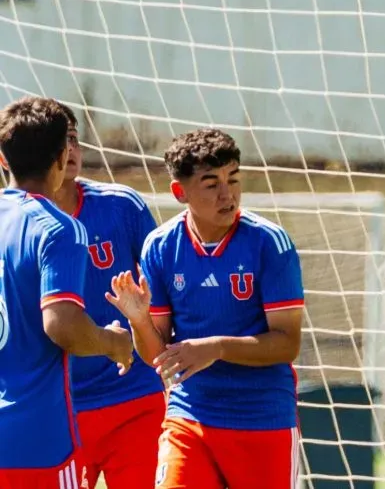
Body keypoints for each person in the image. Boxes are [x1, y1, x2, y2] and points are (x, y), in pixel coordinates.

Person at [106, 127, 304, 489]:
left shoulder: (269, 243)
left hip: (262, 419)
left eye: (234, 179)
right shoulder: (161, 247)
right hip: (190, 416)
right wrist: (138, 321)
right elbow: (158, 356)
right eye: (211, 183)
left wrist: (217, 348)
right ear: (180, 192)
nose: (227, 194)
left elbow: (287, 343)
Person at [0, 96, 134, 489]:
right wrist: (112, 342)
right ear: (62, 157)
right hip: (37, 443)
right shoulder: (58, 229)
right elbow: (63, 326)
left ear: (4, 158)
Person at [50, 104, 165, 489]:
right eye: (57, 141)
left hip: (134, 398)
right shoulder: (14, 224)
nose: (69, 150)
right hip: (56, 411)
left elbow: (161, 295)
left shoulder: (121, 206)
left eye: (73, 139)